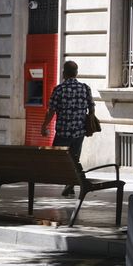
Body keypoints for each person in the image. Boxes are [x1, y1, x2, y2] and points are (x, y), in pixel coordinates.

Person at [40, 59, 95, 197]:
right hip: (79, 132)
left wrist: (44, 125)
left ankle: (69, 182)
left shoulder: (59, 89)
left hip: (63, 132)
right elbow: (92, 106)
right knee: (74, 158)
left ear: (64, 73)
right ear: (76, 73)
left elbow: (51, 110)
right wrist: (90, 119)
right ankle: (70, 184)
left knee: (58, 159)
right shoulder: (85, 88)